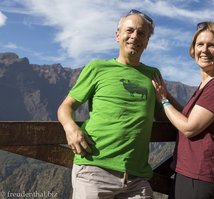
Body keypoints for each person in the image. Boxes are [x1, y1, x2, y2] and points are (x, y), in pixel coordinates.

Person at [57, 9, 164, 199]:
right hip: (93, 170)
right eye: (129, 31)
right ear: (118, 35)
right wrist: (70, 128)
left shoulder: (153, 74)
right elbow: (66, 107)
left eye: (142, 33)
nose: (134, 37)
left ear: (147, 42)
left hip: (136, 178)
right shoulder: (97, 68)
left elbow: (165, 114)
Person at [152, 22, 214, 199]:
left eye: (211, 45)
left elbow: (190, 127)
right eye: (200, 44)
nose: (204, 50)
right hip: (190, 171)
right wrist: (165, 93)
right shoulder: (206, 84)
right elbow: (189, 116)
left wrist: (164, 100)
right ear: (193, 49)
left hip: (200, 174)